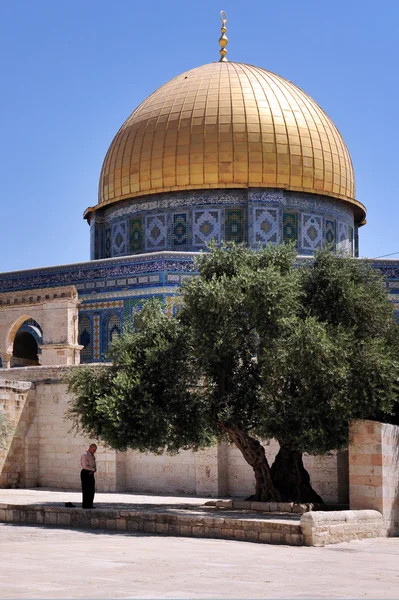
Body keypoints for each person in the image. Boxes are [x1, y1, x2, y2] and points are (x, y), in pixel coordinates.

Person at [80, 443, 97, 509]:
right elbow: (85, 466)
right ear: (90, 448)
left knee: (91, 489)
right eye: (94, 450)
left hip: (91, 473)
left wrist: (94, 469)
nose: (94, 451)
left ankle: (90, 504)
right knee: (86, 489)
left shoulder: (92, 456)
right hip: (85, 473)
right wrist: (93, 469)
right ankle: (85, 505)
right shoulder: (85, 455)